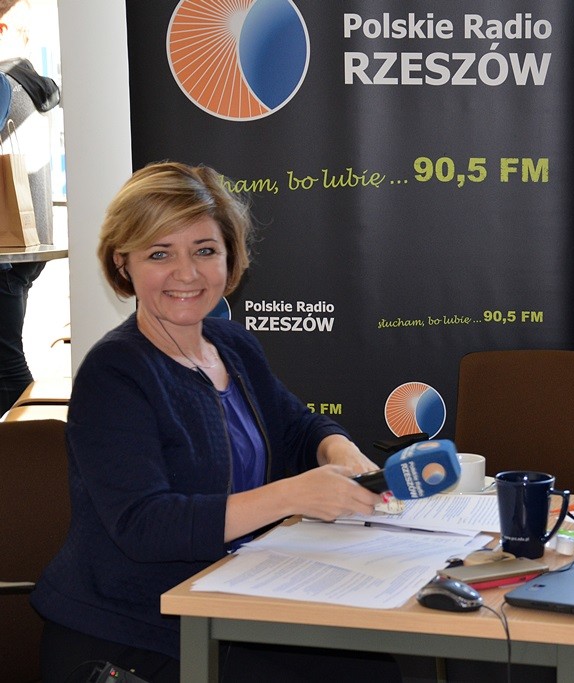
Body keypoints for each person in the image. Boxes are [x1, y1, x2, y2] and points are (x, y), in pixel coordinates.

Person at [30, 162, 403, 682]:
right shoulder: (113, 374)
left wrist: (338, 449)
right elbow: (144, 526)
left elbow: (296, 427)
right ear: (124, 264)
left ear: (230, 256)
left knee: (371, 670)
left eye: (205, 251)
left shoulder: (231, 344)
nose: (187, 274)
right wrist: (293, 495)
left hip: (228, 601)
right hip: (132, 633)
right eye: (160, 253)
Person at [0, 0, 61, 414]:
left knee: (7, 364)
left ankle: (33, 441)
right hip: (30, 243)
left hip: (5, 253)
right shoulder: (32, 83)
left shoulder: (3, 83)